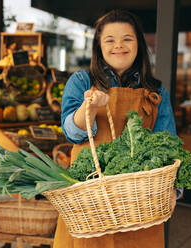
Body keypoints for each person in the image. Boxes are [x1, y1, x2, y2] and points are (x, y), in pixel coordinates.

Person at [55, 9, 182, 248]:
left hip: (140, 203)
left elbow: (168, 144)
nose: (118, 46)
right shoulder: (82, 81)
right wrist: (89, 107)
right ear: (99, 47)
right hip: (89, 200)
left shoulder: (156, 92)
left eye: (127, 39)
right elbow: (73, 133)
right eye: (110, 40)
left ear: (138, 45)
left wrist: (174, 188)